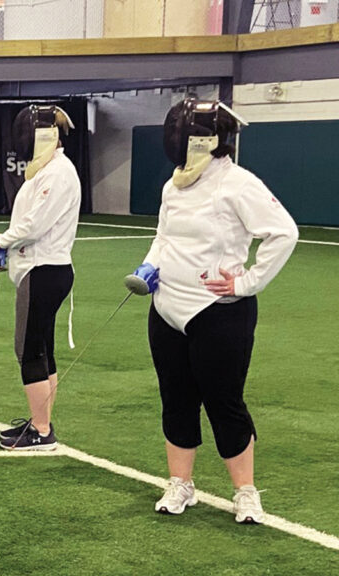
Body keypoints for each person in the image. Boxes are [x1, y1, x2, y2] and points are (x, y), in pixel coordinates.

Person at [125, 97, 298, 524]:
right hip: (167, 309)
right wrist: (150, 266)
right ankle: (181, 484)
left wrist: (247, 282)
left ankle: (245, 492)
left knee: (224, 402)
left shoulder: (238, 183)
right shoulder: (174, 184)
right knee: (176, 398)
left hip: (218, 311)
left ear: (203, 140)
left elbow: (283, 232)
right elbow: (164, 237)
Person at [0, 105, 80, 450]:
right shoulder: (44, 171)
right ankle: (42, 422)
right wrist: (8, 245)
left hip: (45, 270)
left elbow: (35, 225)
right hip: (40, 269)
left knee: (28, 350)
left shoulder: (58, 173)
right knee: (42, 349)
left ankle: (41, 431)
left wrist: (2, 240)